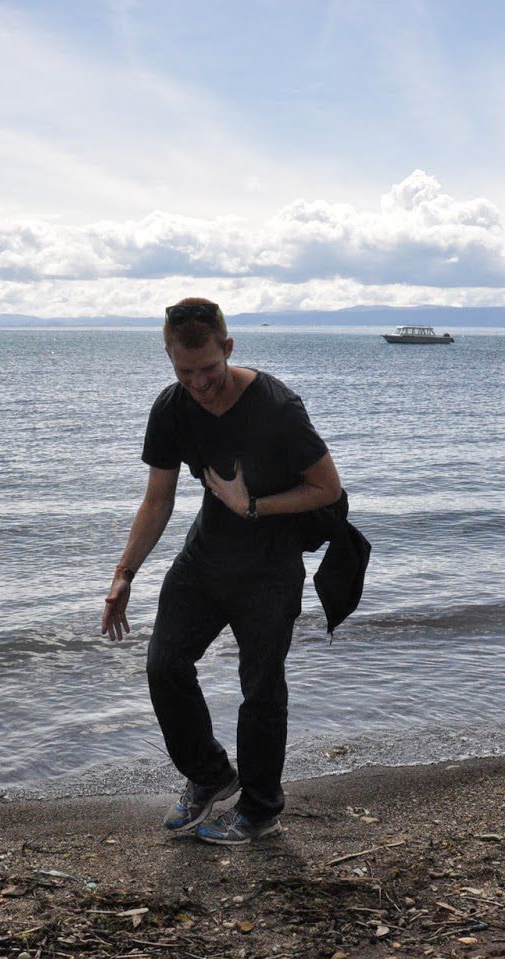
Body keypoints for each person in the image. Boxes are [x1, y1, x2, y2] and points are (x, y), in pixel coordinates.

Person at [101, 298, 343, 845]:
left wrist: (251, 507)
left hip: (269, 567)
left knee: (260, 688)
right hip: (205, 559)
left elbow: (328, 488)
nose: (200, 383)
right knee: (164, 666)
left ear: (228, 349)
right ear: (169, 359)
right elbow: (157, 500)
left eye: (208, 369)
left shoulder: (276, 405)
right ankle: (211, 774)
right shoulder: (171, 408)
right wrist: (124, 574)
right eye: (184, 372)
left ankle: (259, 809)